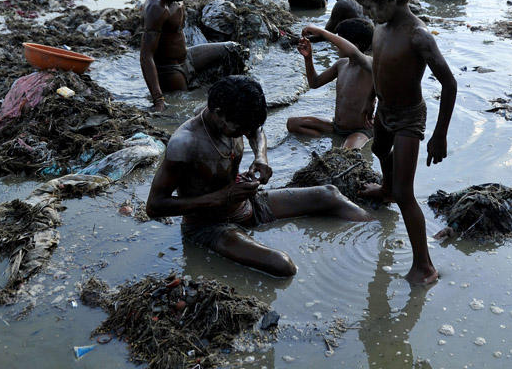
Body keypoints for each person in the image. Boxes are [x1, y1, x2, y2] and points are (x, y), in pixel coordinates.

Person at [303, 0, 457, 285]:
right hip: (384, 112)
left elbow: (449, 83)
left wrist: (440, 134)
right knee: (379, 152)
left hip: (407, 117)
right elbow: (379, 66)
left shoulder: (419, 36)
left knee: (406, 193)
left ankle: (424, 266)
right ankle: (386, 188)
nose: (368, 14)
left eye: (371, 7)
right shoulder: (381, 27)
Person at [146, 75, 372, 277]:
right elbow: (155, 206)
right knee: (282, 264)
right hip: (209, 225)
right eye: (239, 129)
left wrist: (261, 157)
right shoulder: (184, 143)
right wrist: (221, 197)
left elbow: (256, 129)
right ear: (218, 115)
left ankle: (376, 236)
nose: (245, 133)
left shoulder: (235, 115)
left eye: (248, 128)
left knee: (329, 194)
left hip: (246, 203)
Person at [140, 0, 246, 112]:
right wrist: (158, 99)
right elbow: (145, 56)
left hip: (187, 57)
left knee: (233, 50)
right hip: (170, 69)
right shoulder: (157, 8)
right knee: (184, 108)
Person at [287, 18, 377, 149]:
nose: (335, 46)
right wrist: (308, 58)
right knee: (293, 124)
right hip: (336, 126)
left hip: (360, 130)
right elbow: (314, 83)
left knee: (346, 153)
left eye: (339, 41)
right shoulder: (341, 64)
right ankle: (328, 140)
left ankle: (343, 144)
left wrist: (323, 33)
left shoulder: (369, 64)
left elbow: (353, 52)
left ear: (355, 45)